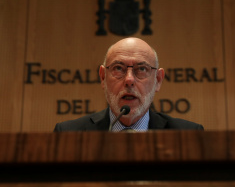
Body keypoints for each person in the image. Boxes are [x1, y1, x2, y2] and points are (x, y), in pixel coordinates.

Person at [54, 37, 204, 131]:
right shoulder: (69, 133)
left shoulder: (187, 134)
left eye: (142, 69)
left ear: (158, 80)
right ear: (103, 78)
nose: (129, 80)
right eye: (118, 68)